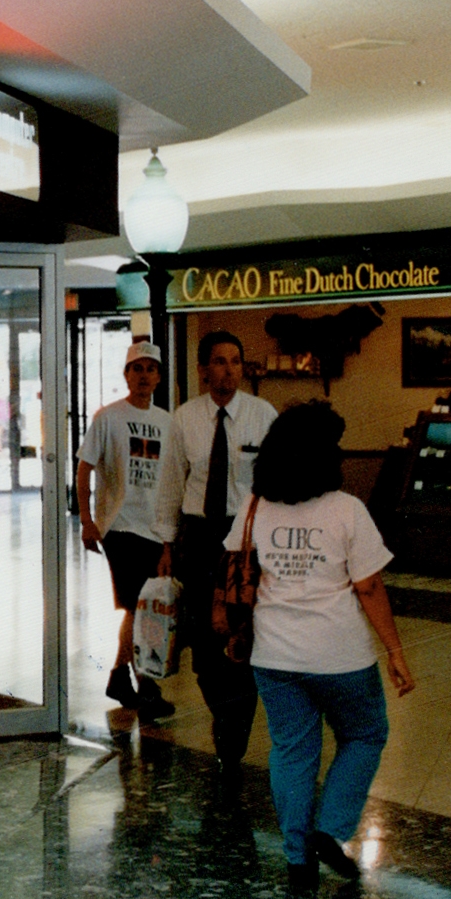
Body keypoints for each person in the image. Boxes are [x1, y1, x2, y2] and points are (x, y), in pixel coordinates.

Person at [227, 401, 414, 892]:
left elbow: (235, 567)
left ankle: (296, 859)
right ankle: (329, 831)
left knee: (292, 751)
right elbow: (369, 588)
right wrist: (395, 651)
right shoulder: (346, 510)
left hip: (274, 655)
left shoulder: (255, 506)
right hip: (341, 656)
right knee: (365, 734)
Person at [152, 331, 276, 792]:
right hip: (200, 539)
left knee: (244, 639)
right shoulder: (184, 420)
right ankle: (224, 714)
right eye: (219, 362)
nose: (228, 370)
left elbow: (275, 483)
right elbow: (169, 486)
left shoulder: (263, 416)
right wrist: (166, 547)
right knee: (204, 646)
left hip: (247, 540)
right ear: (204, 369)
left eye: (235, 361)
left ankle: (233, 731)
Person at [76, 341, 175, 719]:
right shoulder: (108, 418)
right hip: (119, 526)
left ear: (159, 377)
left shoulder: (167, 422)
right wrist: (88, 520)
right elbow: (85, 467)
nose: (144, 375)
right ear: (126, 374)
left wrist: (169, 537)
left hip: (155, 526)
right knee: (137, 605)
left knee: (139, 607)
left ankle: (120, 675)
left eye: (151, 369)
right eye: (138, 369)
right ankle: (146, 684)